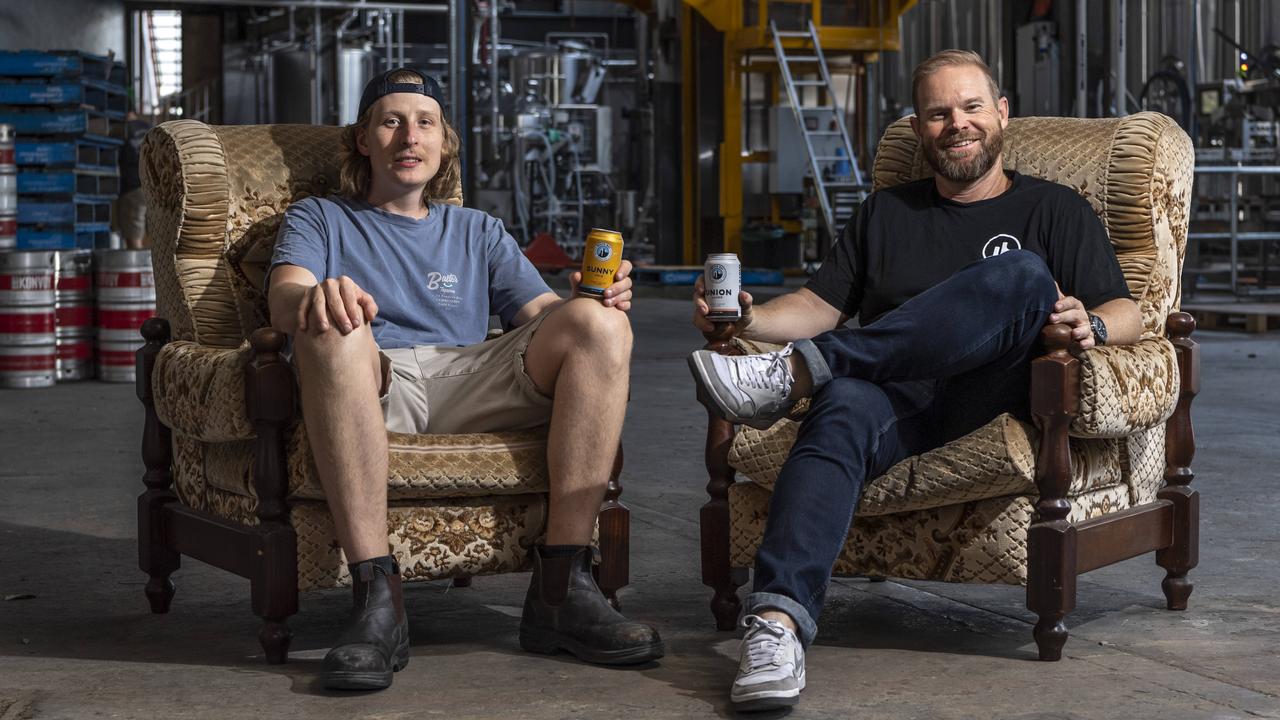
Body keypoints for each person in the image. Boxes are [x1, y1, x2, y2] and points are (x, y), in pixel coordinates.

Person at [687, 50, 1142, 712]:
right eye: (938, 113)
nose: (958, 124)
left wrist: (1091, 326)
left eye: (972, 107)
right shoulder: (885, 213)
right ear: (919, 127)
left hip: (986, 395)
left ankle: (799, 372)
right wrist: (750, 316)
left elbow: (1129, 311)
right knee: (840, 406)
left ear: (1001, 114)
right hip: (892, 400)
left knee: (1024, 276)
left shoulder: (1054, 210)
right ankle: (777, 625)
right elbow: (819, 307)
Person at [267, 68, 663, 691]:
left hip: (472, 377)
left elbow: (542, 322)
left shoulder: (477, 230)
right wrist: (319, 297)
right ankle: (376, 600)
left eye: (425, 122)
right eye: (391, 120)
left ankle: (562, 589)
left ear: (444, 143)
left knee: (600, 325)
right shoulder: (320, 218)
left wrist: (593, 300)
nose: (409, 136)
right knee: (331, 323)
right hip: (374, 379)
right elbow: (284, 297)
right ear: (365, 140)